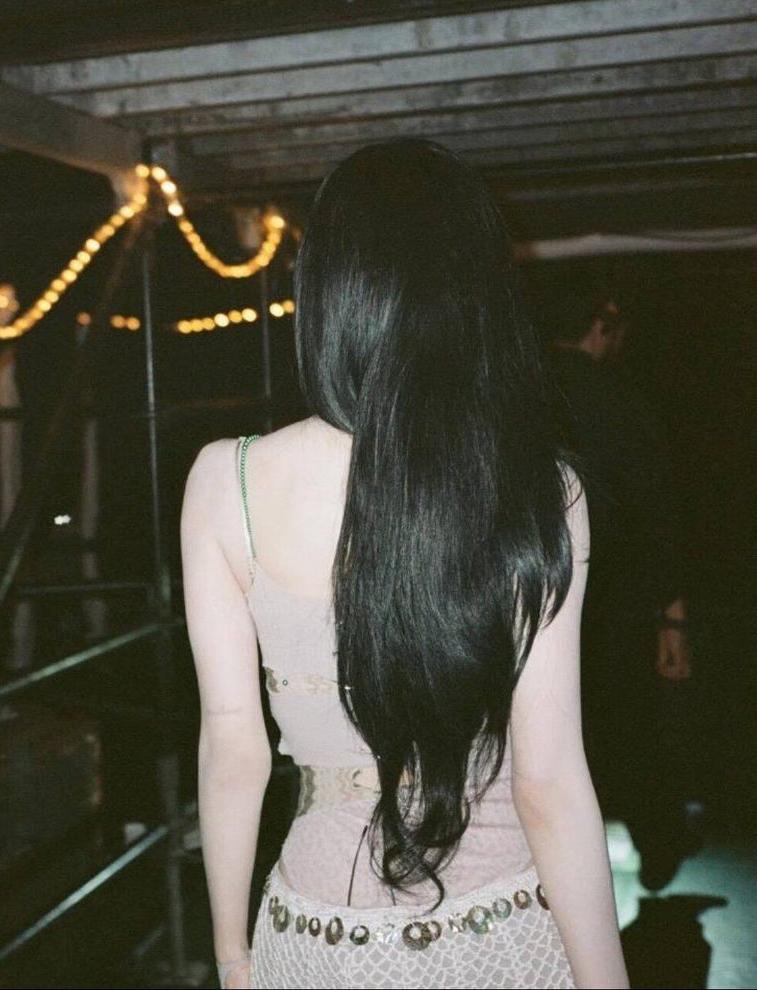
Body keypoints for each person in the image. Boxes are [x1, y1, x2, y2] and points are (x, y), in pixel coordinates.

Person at [181, 141, 628, 989]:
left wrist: (234, 956)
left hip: (315, 938)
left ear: (328, 290)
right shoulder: (542, 487)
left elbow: (233, 751)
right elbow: (547, 782)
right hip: (499, 931)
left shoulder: (224, 482)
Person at [543, 288, 694, 890]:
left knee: (552, 733)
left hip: (538, 597)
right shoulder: (621, 399)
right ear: (601, 327)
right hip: (616, 597)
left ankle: (559, 863)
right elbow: (658, 511)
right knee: (632, 725)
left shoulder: (518, 393)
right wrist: (673, 619)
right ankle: (657, 839)